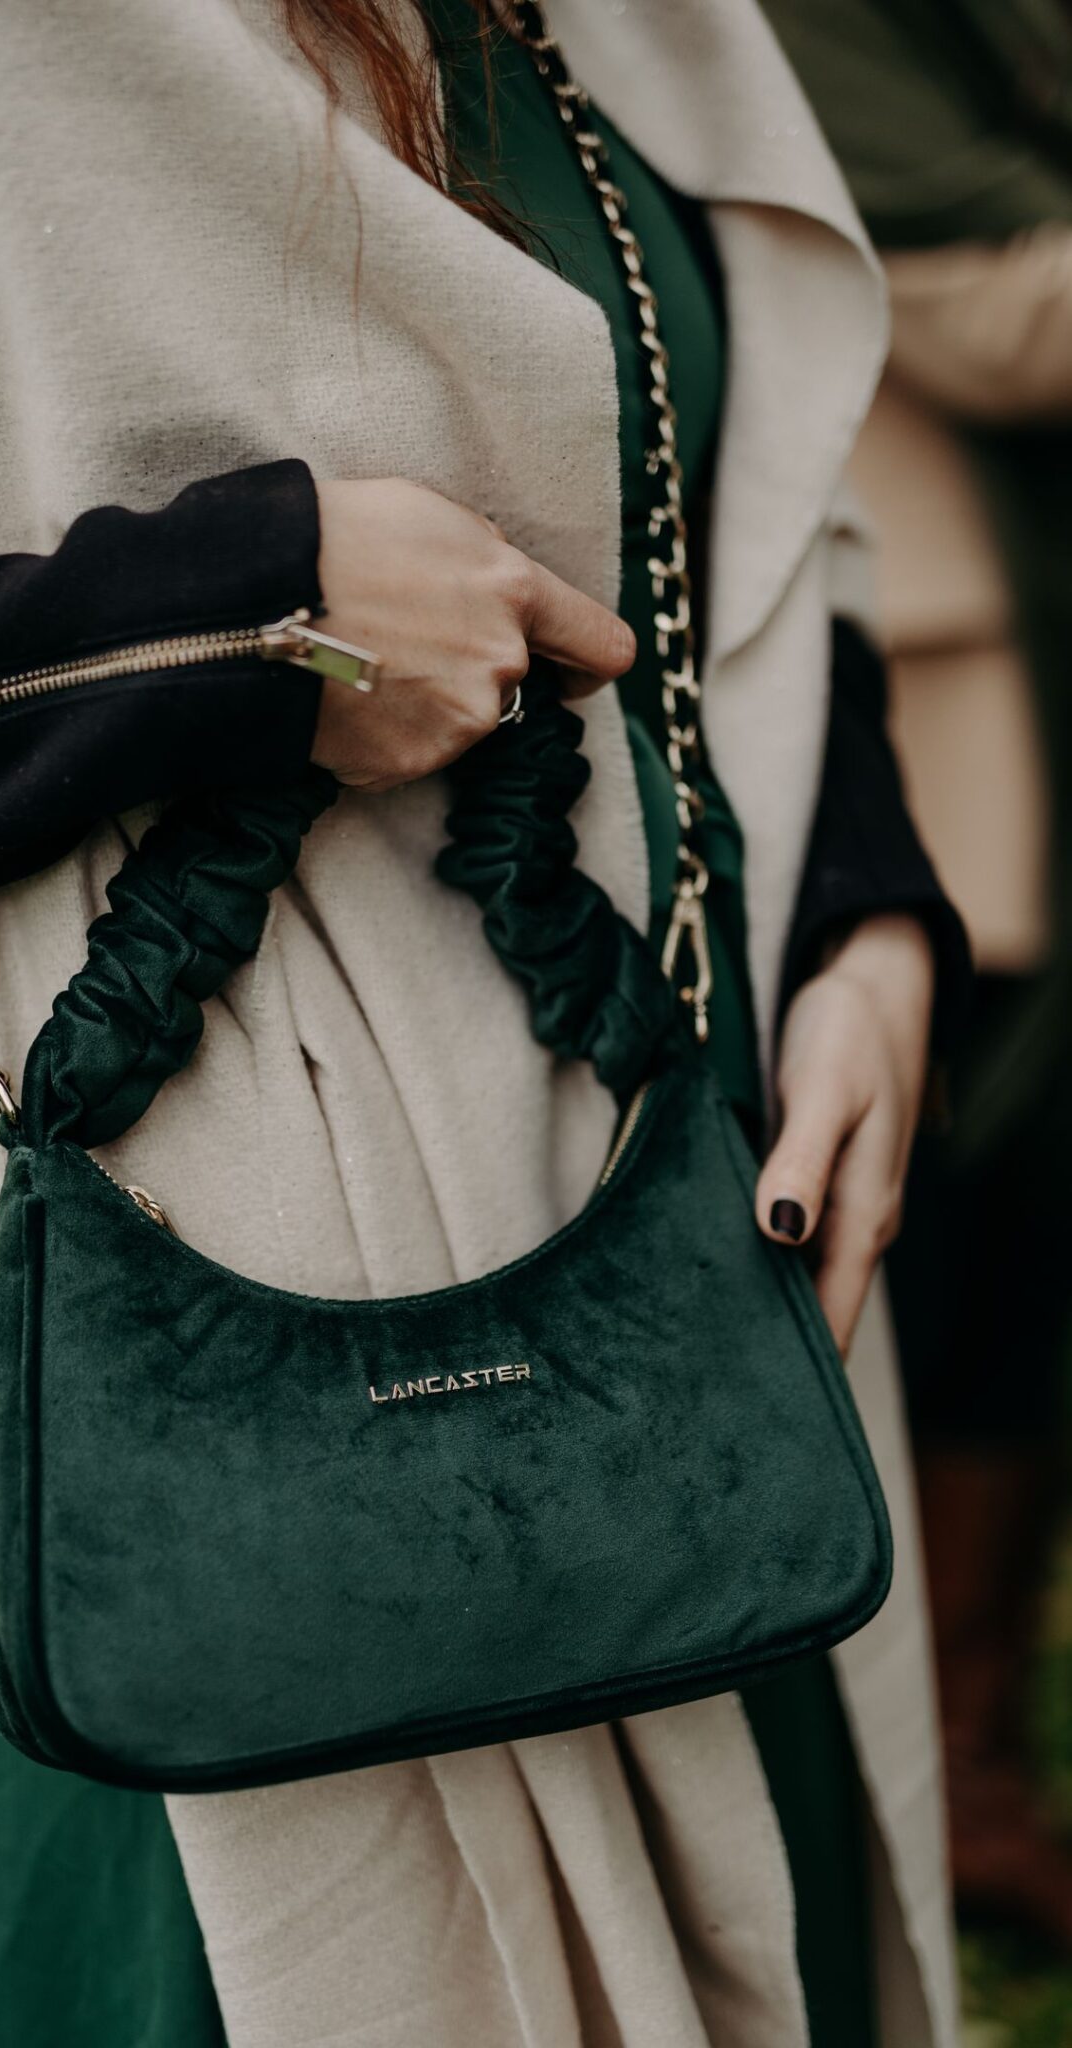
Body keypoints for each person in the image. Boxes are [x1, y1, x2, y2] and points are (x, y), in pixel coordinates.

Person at [0, 2, 967, 2043]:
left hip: (690, 1303)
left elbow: (738, 529)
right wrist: (252, 619)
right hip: (215, 1405)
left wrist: (862, 934)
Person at [761, 0, 1072, 1950]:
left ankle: (970, 1746)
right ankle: (927, 1758)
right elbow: (979, 294)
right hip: (957, 664)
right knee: (965, 1195)